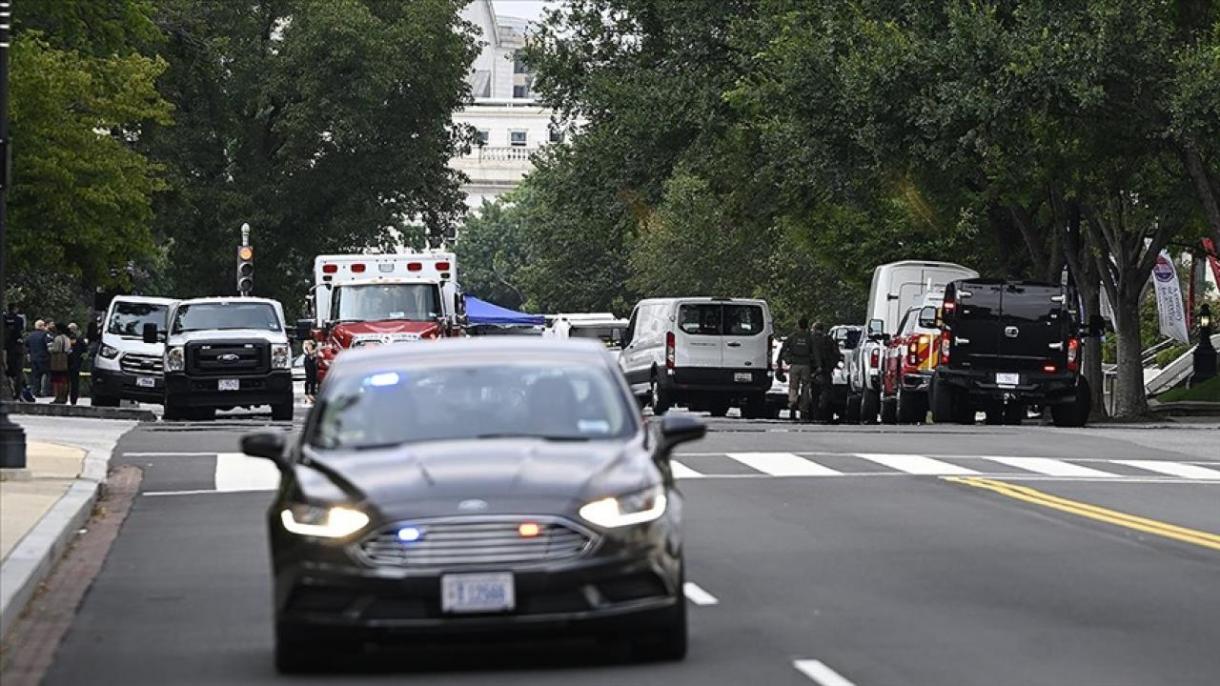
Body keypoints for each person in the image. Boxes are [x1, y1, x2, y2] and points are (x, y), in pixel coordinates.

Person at [778, 318, 815, 421]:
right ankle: (804, 410)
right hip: (806, 365)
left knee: (793, 386)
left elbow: (783, 349)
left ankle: (792, 403)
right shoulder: (809, 337)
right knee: (806, 388)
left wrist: (780, 362)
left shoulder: (792, 336)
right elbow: (815, 352)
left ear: (798, 325)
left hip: (794, 365)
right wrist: (818, 365)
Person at [810, 322, 842, 421]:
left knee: (814, 392)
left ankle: (815, 414)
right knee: (825, 391)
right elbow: (837, 354)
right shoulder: (829, 340)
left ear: (814, 329)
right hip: (826, 370)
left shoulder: (811, 339)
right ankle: (823, 412)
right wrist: (831, 366)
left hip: (813, 369)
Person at [4, 303, 27, 400]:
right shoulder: (19, 319)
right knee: (18, 372)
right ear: (15, 309)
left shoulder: (4, 319)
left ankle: (11, 390)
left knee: (8, 370)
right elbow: (20, 330)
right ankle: (17, 393)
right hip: (16, 347)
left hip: (6, 347)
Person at [26, 319, 52, 397]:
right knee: (48, 374)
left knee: (36, 376)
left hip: (34, 358)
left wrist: (29, 353)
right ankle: (46, 391)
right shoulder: (45, 335)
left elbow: (26, 344)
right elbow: (49, 345)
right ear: (41, 326)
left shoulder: (30, 335)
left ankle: (35, 392)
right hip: (44, 358)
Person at [48, 322, 73, 404]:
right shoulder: (67, 338)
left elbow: (55, 349)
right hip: (65, 360)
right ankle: (64, 397)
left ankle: (58, 397)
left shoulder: (58, 338)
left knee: (57, 380)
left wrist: (50, 348)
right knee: (64, 380)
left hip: (58, 361)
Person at [67, 323, 88, 405]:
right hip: (75, 364)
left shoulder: (66, 338)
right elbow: (85, 351)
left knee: (68, 382)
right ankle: (73, 399)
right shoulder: (80, 339)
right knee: (74, 382)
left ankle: (68, 398)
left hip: (68, 363)